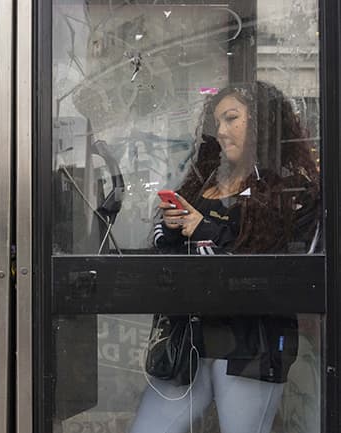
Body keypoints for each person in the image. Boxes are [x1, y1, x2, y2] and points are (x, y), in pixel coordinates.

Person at [131, 82, 319, 433]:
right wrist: (173, 227)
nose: (221, 131)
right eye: (216, 122)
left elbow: (277, 263)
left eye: (232, 119)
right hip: (190, 336)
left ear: (263, 124)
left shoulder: (293, 188)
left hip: (251, 340)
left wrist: (204, 229)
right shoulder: (206, 179)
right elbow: (169, 250)